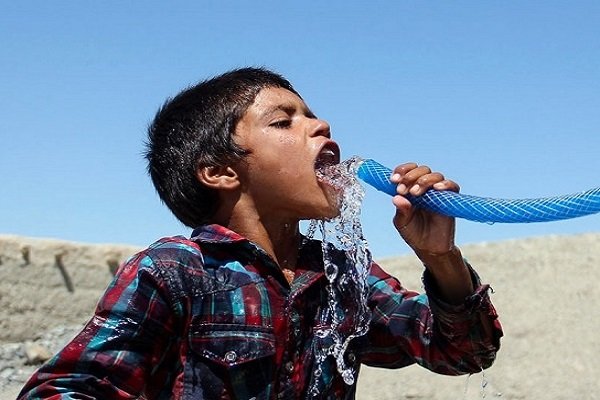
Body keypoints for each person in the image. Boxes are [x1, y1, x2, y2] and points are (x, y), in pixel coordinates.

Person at [18, 67, 502, 399]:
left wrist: (441, 257)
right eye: (283, 120)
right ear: (220, 171)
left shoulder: (341, 276)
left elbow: (462, 352)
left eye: (312, 114)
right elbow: (69, 387)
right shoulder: (176, 270)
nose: (321, 125)